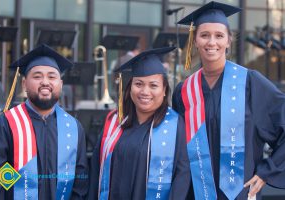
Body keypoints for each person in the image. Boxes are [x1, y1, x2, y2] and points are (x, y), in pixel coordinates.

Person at [172, 1, 285, 200]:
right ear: (195, 40)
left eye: (219, 35)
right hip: (196, 193)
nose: (211, 42)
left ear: (229, 41)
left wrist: (267, 171)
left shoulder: (251, 83)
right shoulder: (184, 91)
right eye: (204, 35)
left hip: (240, 193)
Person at [0, 44, 88, 199]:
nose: (45, 82)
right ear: (24, 84)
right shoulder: (6, 124)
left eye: (52, 76)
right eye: (37, 76)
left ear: (60, 84)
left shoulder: (73, 127)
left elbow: (80, 180)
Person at [88, 47, 191, 200]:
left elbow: (182, 175)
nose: (145, 91)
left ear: (164, 90)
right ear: (130, 88)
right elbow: (97, 170)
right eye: (139, 84)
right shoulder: (114, 122)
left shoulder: (175, 125)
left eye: (153, 85)